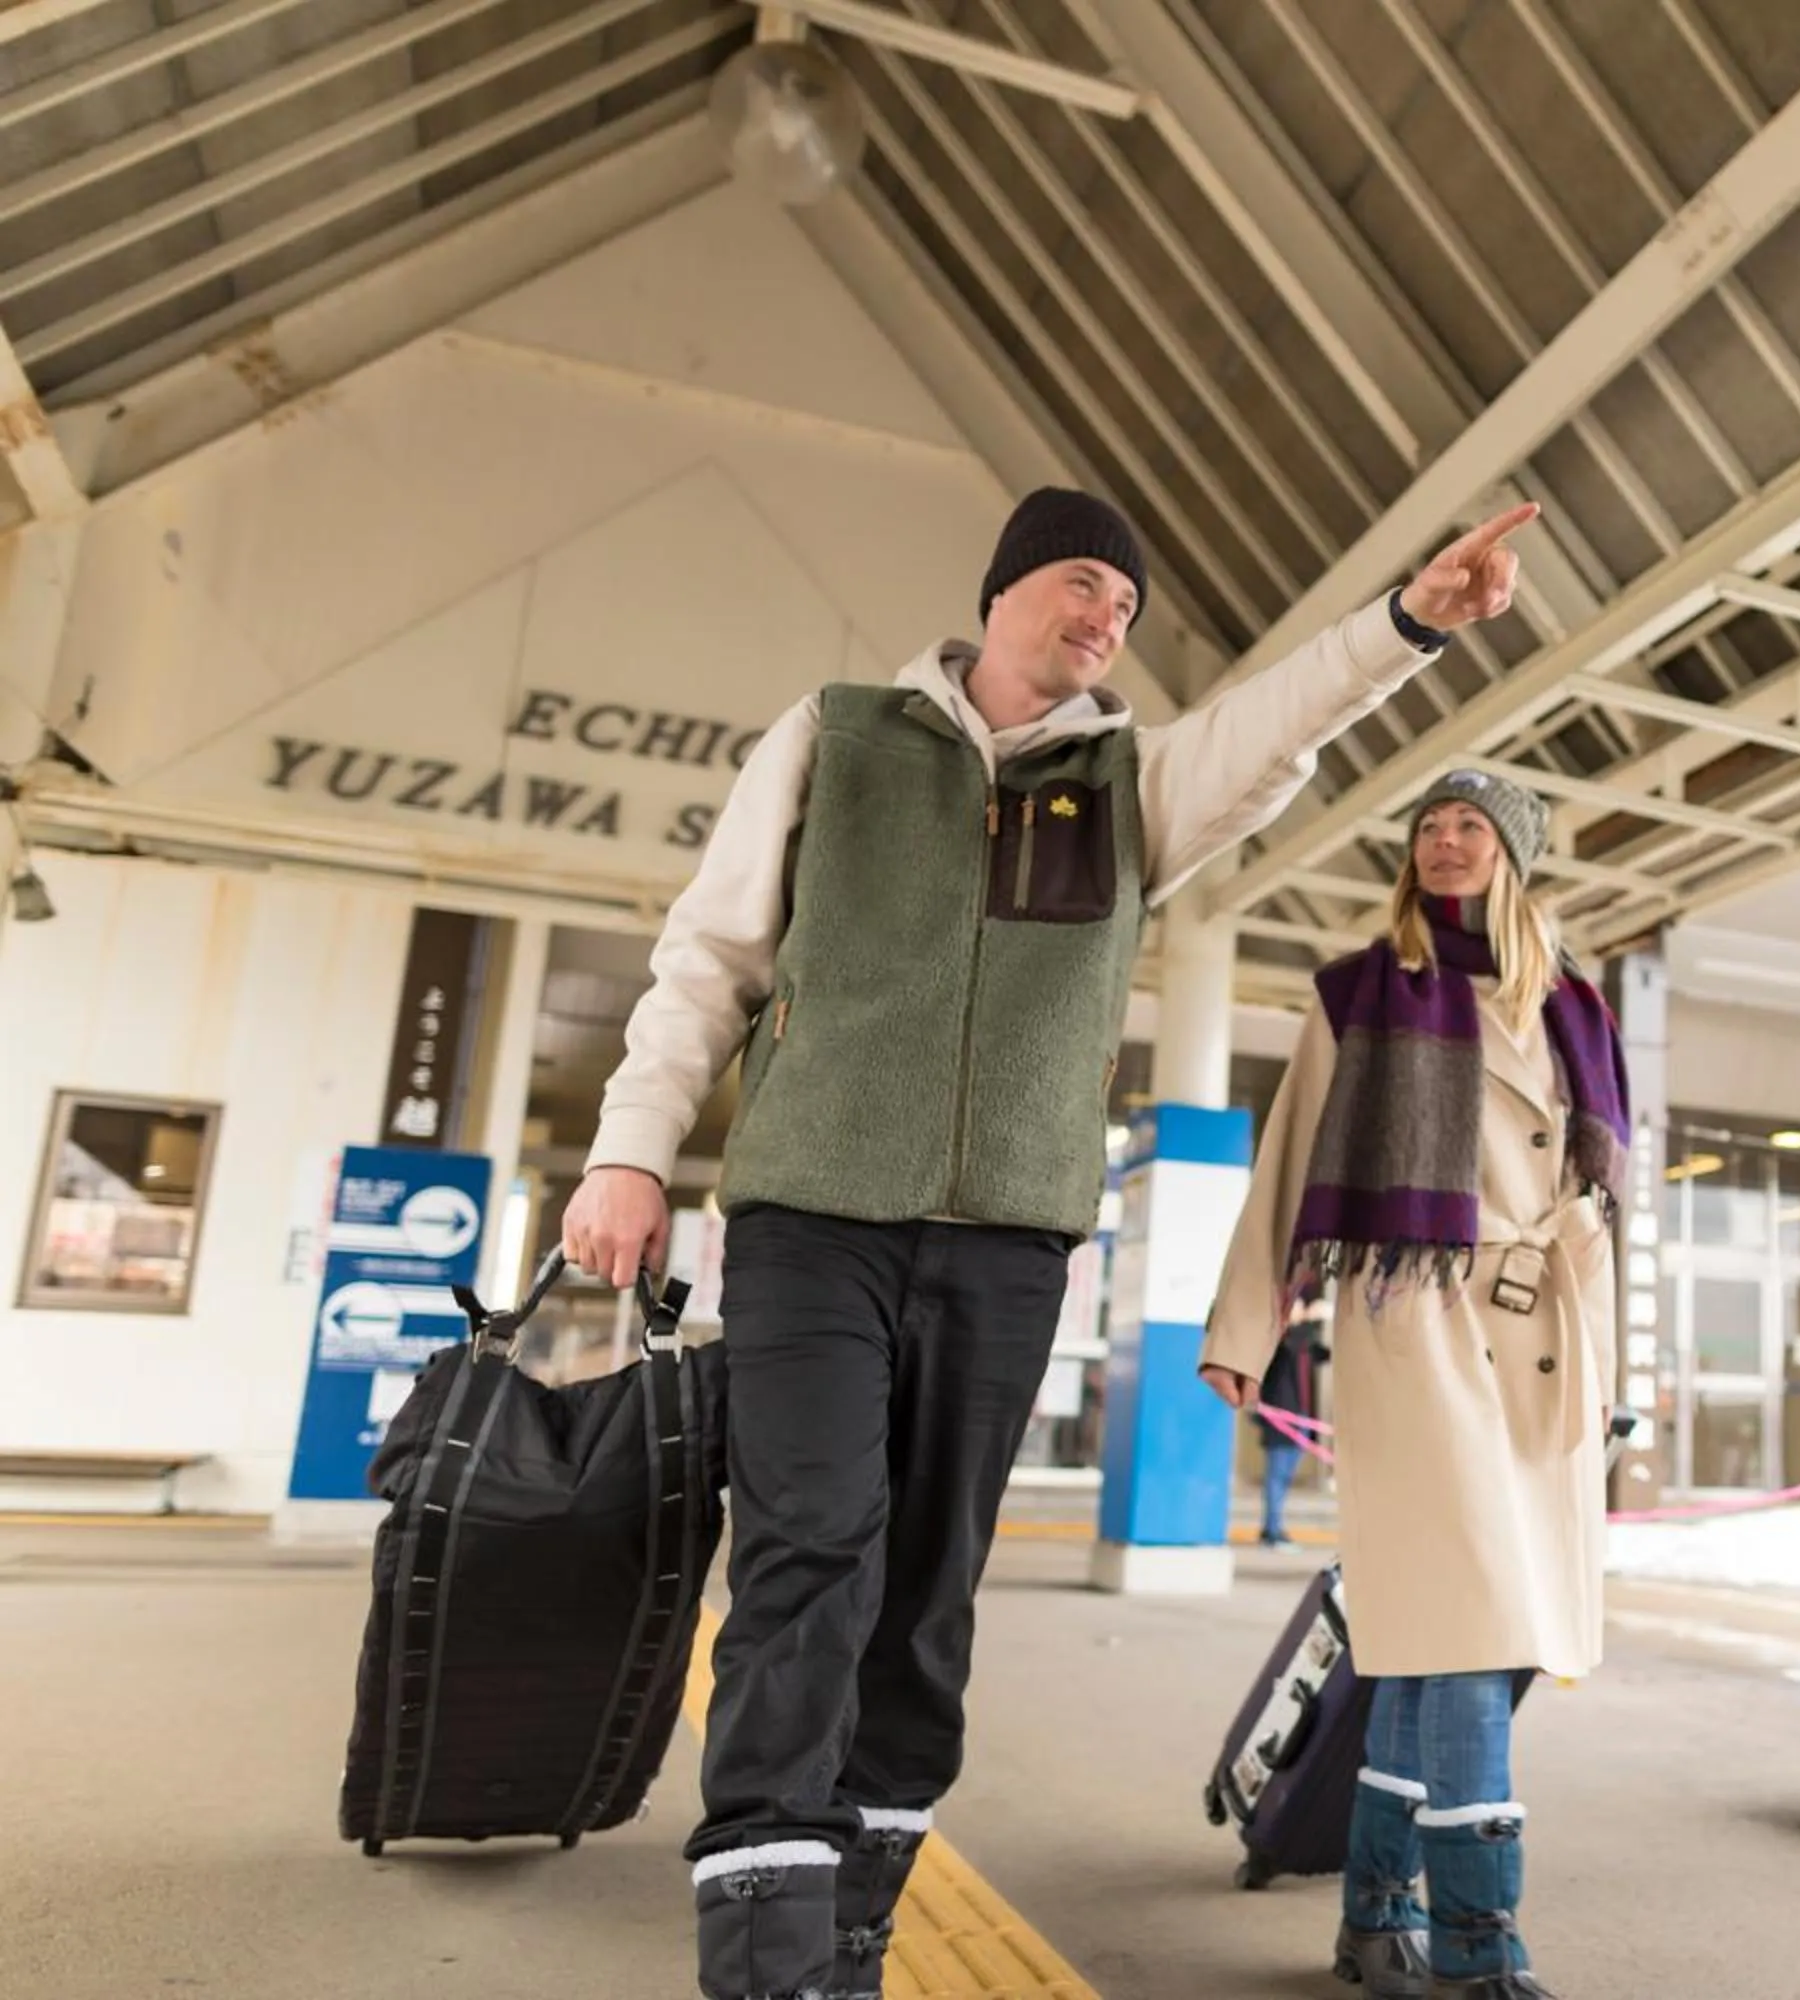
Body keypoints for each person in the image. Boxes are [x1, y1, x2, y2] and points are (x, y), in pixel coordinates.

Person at [559, 488, 1538, 2000]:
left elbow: (1275, 721)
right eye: (1085, 586)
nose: (1106, 622)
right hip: (812, 1217)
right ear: (1007, 590)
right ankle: (765, 1955)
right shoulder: (836, 735)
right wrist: (631, 1148)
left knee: (927, 1588)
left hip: (1006, 1245)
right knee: (809, 1553)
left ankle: (859, 1924)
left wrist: (1409, 622)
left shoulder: (1131, 786)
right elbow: (711, 958)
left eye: (1128, 611)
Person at [1199, 766, 1626, 2000]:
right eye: (1432, 826)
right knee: (1469, 1625)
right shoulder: (1362, 992)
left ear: (1513, 854)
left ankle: (1378, 1911)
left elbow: (1605, 1201)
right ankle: (1481, 1950)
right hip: (1418, 1321)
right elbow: (1288, 1167)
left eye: (1472, 826)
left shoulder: (1578, 1009)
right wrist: (1247, 1325)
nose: (1447, 842)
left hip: (1548, 1335)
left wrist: (1610, 1362)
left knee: (1455, 1644)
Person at [1257, 1303, 1331, 1548]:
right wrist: (1309, 1317)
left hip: (1301, 1419)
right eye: (1295, 1308)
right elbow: (1293, 1342)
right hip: (1281, 1418)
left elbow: (1322, 1352)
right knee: (1277, 1475)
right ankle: (1271, 1529)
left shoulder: (1304, 1344)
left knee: (1285, 1476)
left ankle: (1274, 1525)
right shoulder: (1279, 1340)